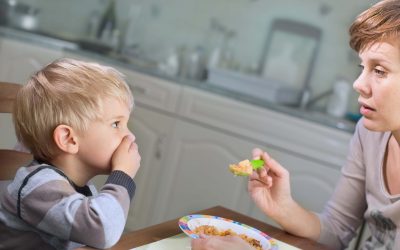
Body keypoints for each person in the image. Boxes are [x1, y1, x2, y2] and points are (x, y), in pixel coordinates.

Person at [192, 0, 400, 249]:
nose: (358, 83)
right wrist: (284, 208)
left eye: (379, 70)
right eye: (362, 67)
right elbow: (336, 230)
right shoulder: (369, 134)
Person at [0, 58, 141, 249]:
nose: (129, 136)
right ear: (68, 139)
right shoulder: (38, 188)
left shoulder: (74, 184)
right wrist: (122, 175)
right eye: (116, 124)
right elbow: (103, 231)